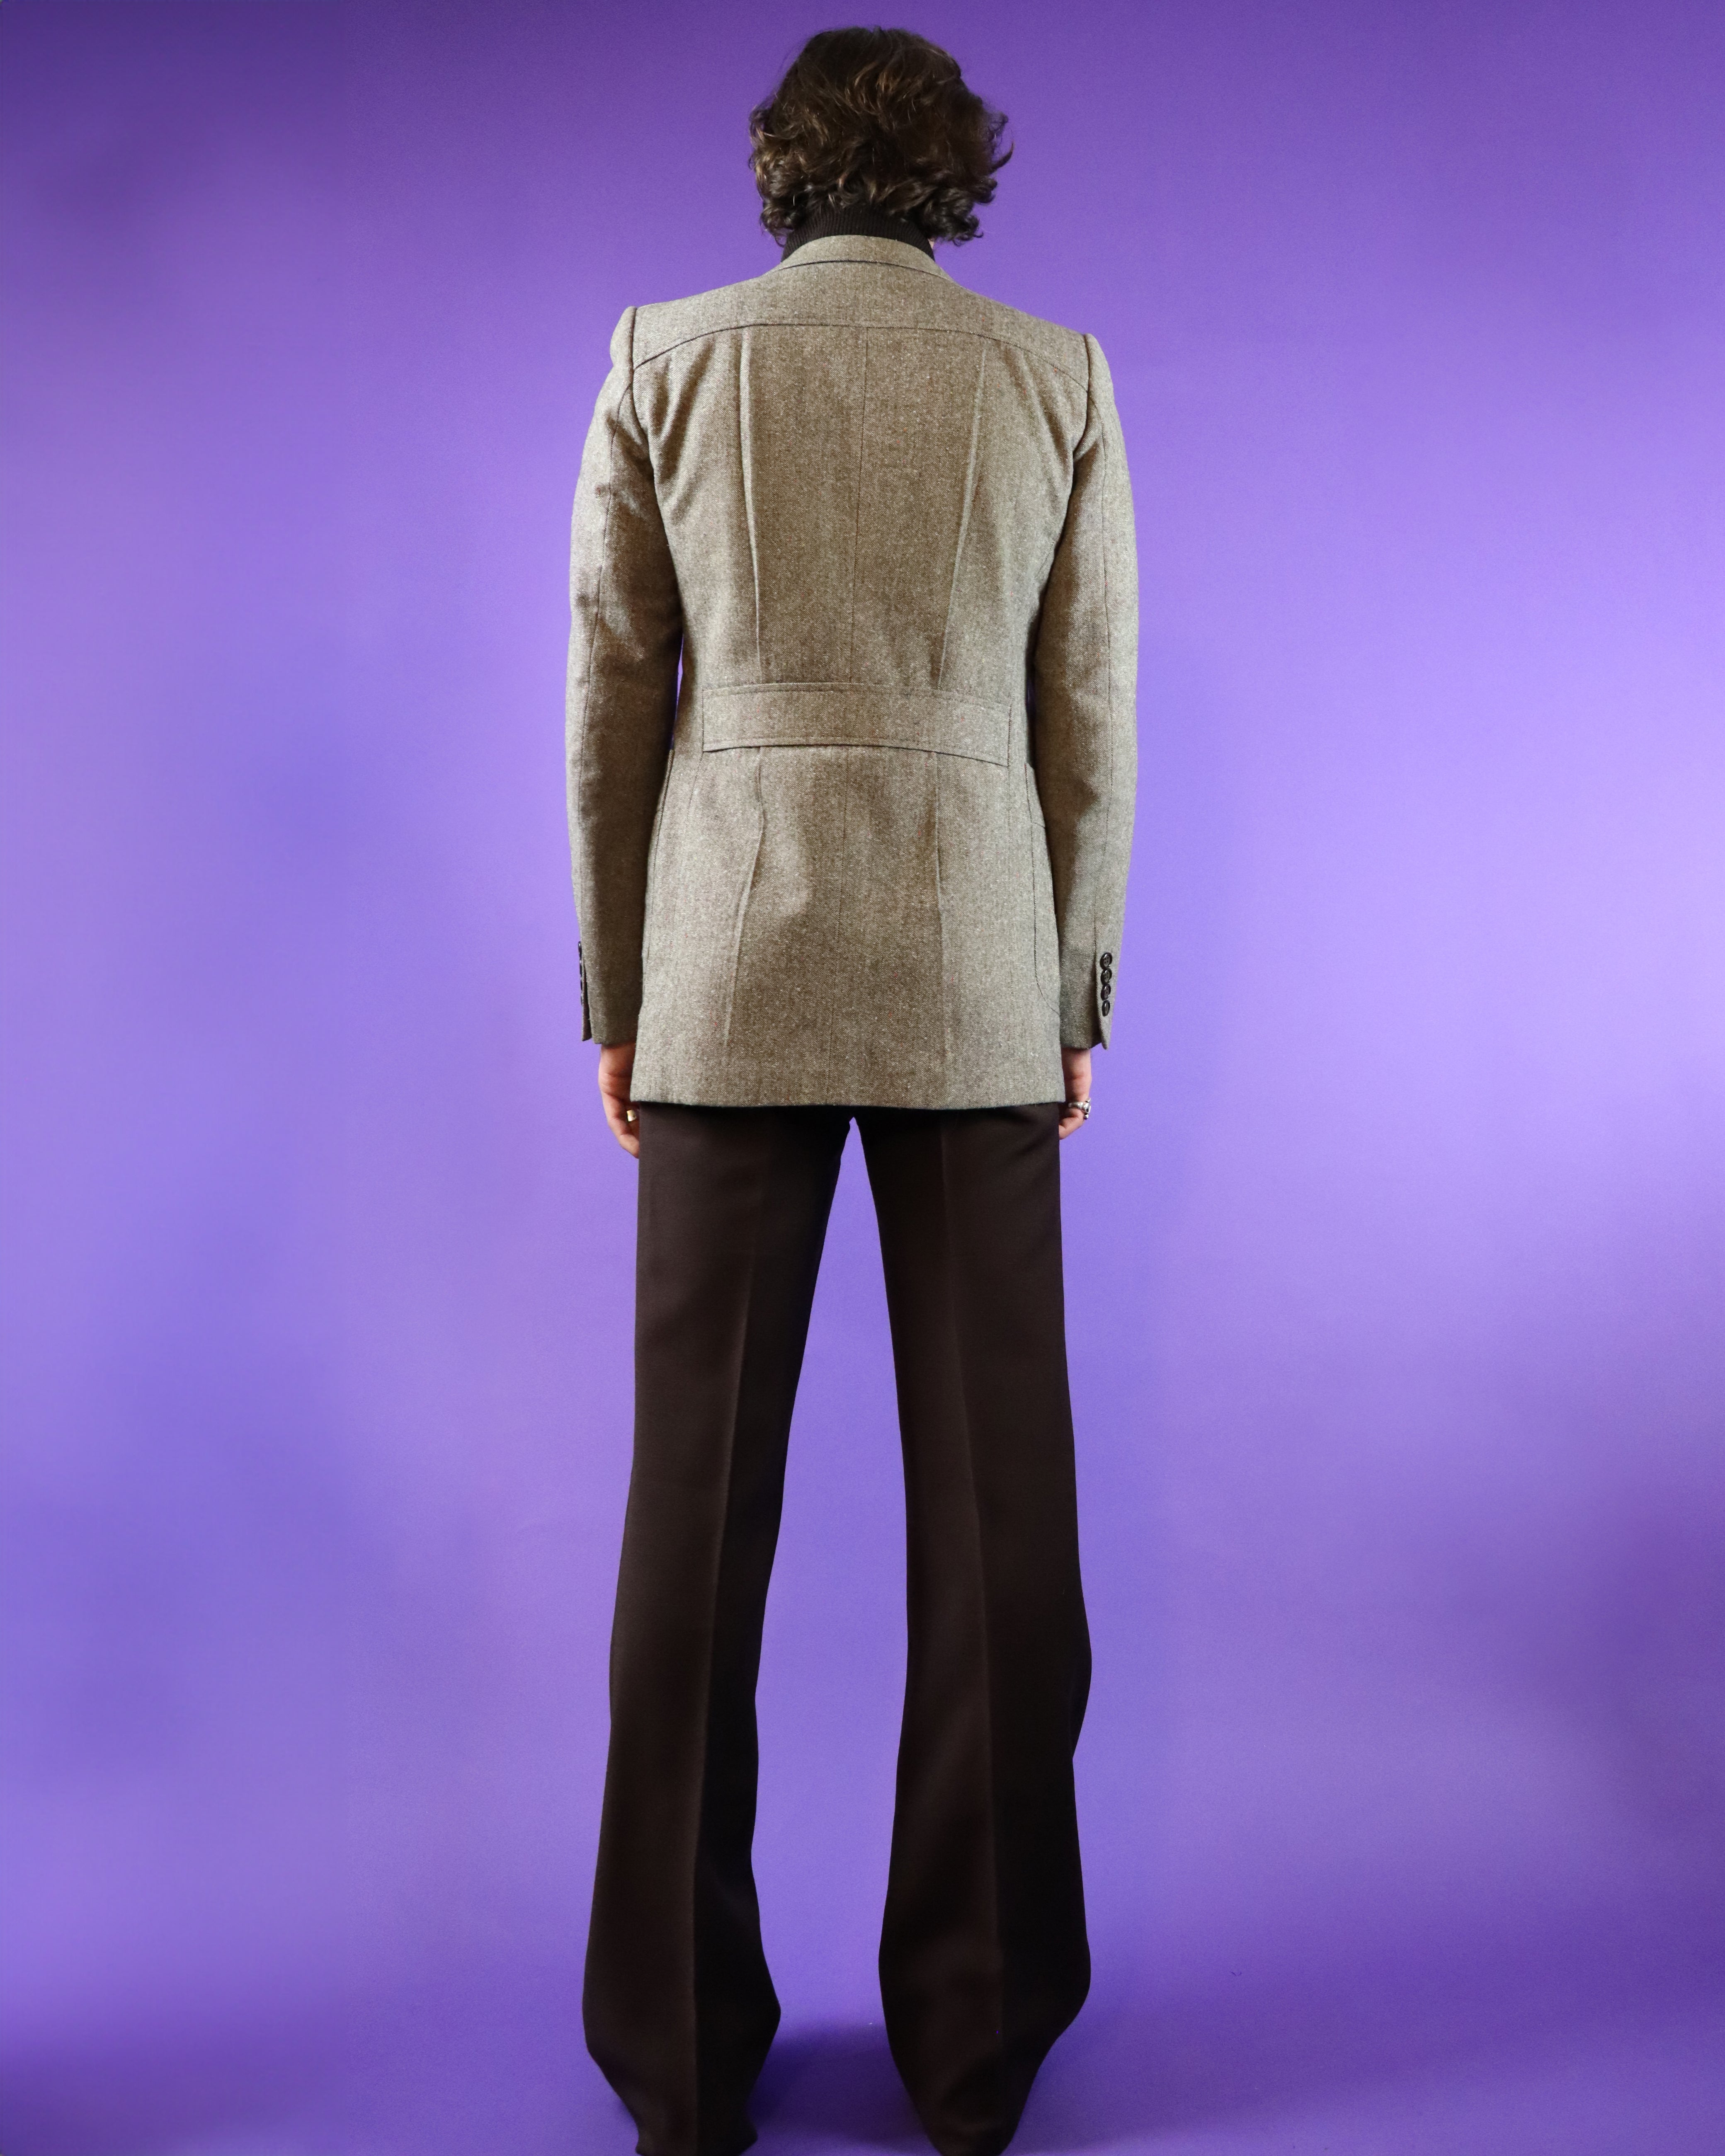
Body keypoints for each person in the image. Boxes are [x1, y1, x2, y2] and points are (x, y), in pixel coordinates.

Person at [565, 27, 1138, 2156]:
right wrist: (1072, 987)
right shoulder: (1053, 377)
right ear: (956, 176)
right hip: (976, 973)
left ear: (781, 169)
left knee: (692, 1526)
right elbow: (1089, 707)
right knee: (1002, 1530)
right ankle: (976, 2049)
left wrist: (622, 990)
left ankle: (679, 2054)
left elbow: (610, 692)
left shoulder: (666, 358)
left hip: (725, 976)